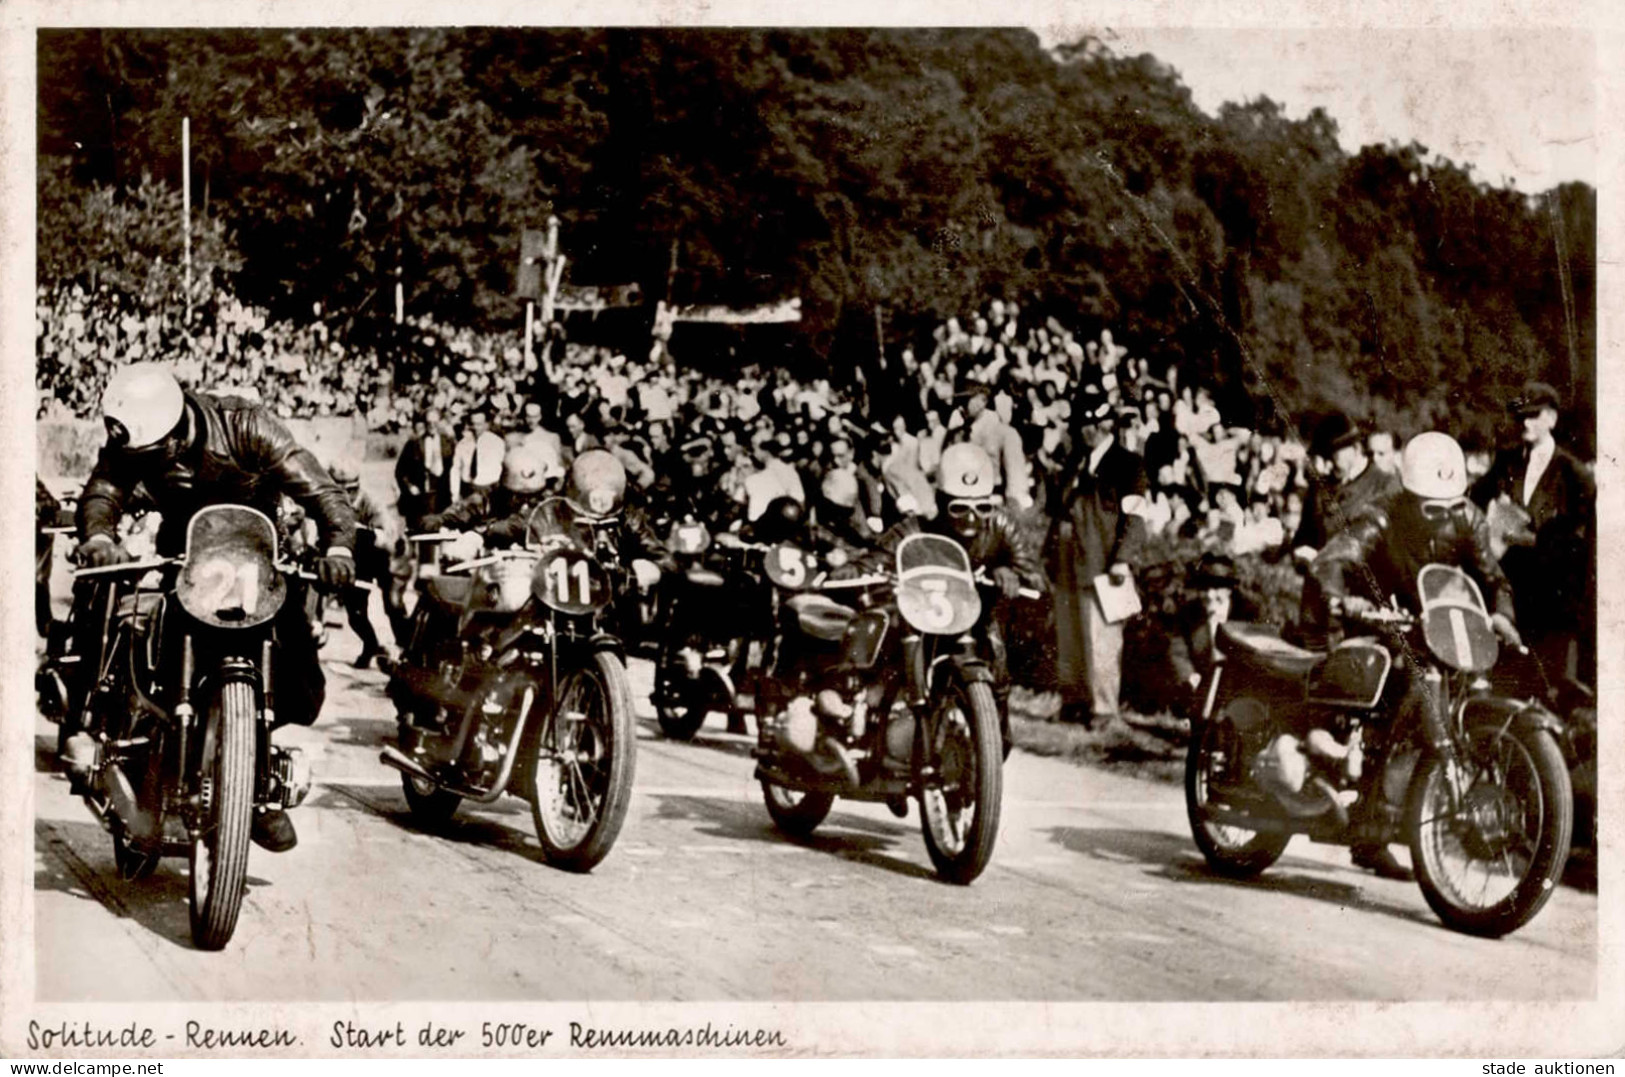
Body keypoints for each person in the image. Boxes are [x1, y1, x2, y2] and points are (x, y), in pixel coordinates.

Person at [68, 363, 358, 853]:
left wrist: (339, 548)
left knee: (304, 688)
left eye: (153, 455)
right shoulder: (135, 439)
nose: (147, 463)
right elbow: (104, 489)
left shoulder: (245, 424)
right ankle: (113, 740)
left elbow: (319, 488)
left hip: (257, 563)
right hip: (183, 561)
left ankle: (252, 776)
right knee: (131, 632)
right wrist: (99, 534)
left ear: (176, 436)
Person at [1308, 431, 1521, 880]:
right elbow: (1337, 556)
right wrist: (1340, 597)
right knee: (1380, 697)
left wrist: (1501, 615)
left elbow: (1493, 578)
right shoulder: (1381, 513)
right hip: (1379, 620)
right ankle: (1351, 792)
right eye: (1431, 504)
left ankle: (1378, 820)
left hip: (1437, 627)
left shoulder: (1467, 517)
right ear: (1409, 493)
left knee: (1450, 702)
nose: (1442, 513)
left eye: (1450, 503)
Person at [842, 442, 1044, 758]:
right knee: (886, 656)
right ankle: (871, 731)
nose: (972, 518)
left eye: (983, 507)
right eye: (959, 508)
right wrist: (851, 573)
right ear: (941, 501)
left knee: (998, 678)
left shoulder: (1002, 528)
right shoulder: (915, 529)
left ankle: (990, 749)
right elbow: (871, 562)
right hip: (921, 619)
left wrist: (1009, 572)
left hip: (976, 622)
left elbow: (1035, 578)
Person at [1469, 381, 1595, 686]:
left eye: (1533, 415)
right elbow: (1470, 503)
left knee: (1549, 692)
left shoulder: (1574, 475)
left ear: (1551, 419)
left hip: (1554, 607)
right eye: (1521, 416)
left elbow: (1584, 548)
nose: (1525, 422)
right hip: (1509, 602)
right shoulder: (1506, 462)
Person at [1044, 384, 1149, 728]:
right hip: (1067, 565)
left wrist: (1122, 559)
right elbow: (1059, 512)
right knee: (1070, 640)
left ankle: (1104, 711)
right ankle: (1073, 704)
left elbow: (1135, 517)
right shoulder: (1076, 462)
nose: (1083, 432)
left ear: (1103, 425)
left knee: (1102, 643)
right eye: (1080, 426)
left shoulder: (1128, 464)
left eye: (1087, 425)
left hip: (1103, 566)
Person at [1293, 412, 1402, 561]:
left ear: (1355, 449)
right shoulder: (1320, 487)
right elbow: (1304, 537)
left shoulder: (1385, 486)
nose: (1326, 466)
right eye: (1322, 457)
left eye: (1331, 455)